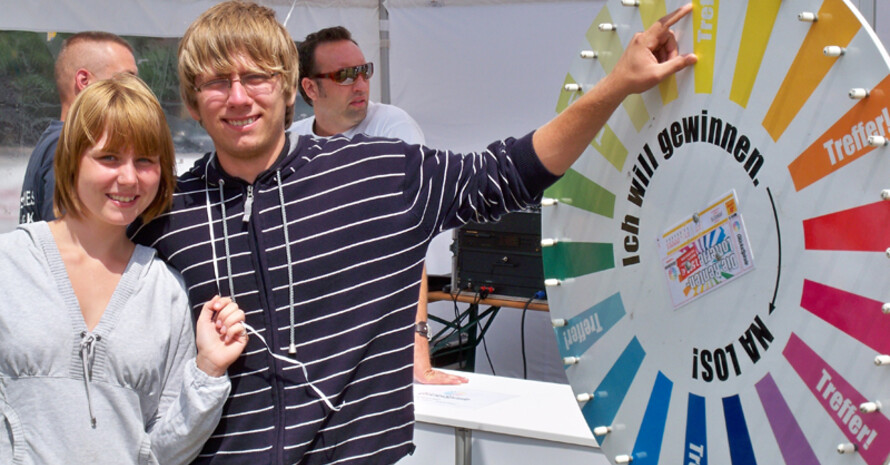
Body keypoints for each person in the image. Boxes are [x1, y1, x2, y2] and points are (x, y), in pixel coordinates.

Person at [130, 1, 696, 463]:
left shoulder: (380, 174)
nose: (237, 97)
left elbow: (509, 173)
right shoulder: (164, 213)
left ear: (286, 88)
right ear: (191, 101)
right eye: (215, 82)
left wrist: (616, 85)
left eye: (255, 77)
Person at [0, 73, 248, 464]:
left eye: (146, 160)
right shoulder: (10, 265)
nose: (129, 178)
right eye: (109, 157)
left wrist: (207, 370)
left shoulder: (164, 291)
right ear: (72, 158)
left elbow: (165, 450)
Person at [291, 25, 467, 386]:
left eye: (364, 70)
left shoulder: (392, 128)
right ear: (310, 88)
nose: (360, 84)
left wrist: (419, 355)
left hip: (377, 327)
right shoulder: (291, 141)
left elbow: (405, 243)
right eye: (344, 75)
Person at [19, 31, 139, 225]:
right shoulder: (67, 144)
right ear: (84, 81)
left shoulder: (55, 141)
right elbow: (69, 244)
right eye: (126, 79)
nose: (137, 90)